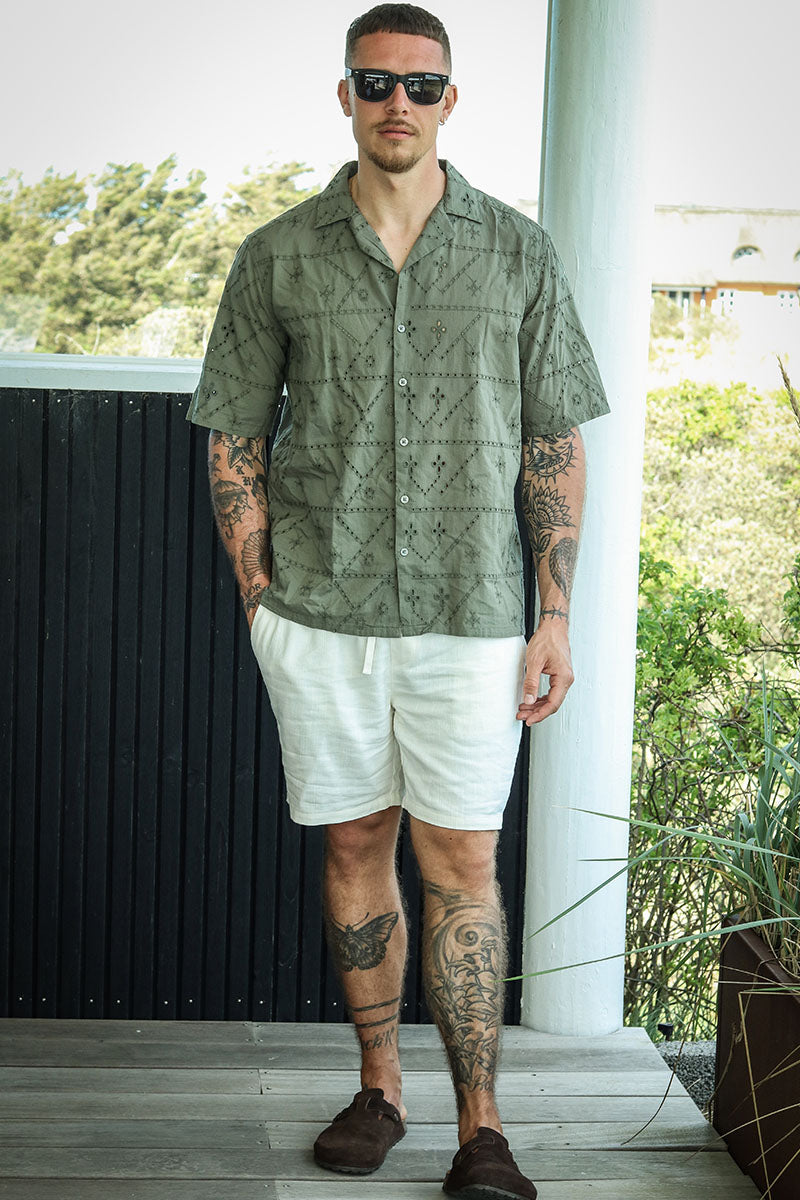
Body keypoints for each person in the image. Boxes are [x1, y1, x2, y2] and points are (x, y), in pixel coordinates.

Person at [188, 4, 609, 1196]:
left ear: (449, 101)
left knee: (462, 858)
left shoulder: (517, 252)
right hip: (318, 617)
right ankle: (380, 1090)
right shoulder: (277, 254)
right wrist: (260, 598)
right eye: (374, 82)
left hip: (473, 617)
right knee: (355, 841)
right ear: (344, 95)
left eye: (420, 86)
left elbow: (551, 440)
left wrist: (553, 614)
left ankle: (482, 1129)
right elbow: (232, 436)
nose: (396, 104)